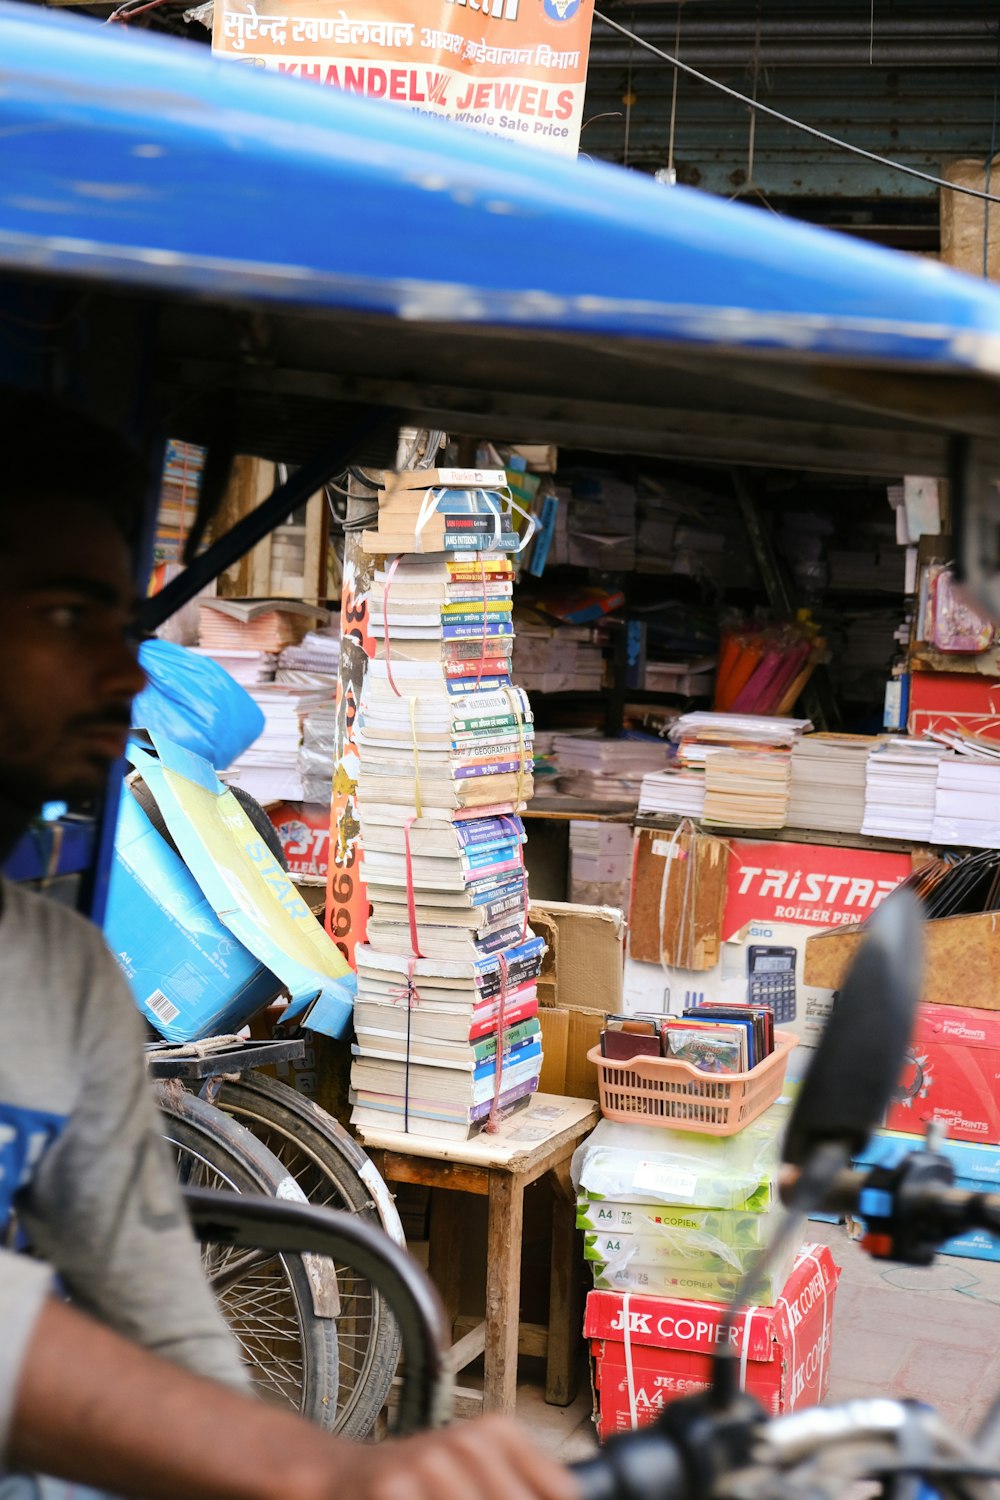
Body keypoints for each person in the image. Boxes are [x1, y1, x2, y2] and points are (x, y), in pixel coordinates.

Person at [0, 390, 578, 1500]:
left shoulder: (61, 972)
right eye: (69, 618)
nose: (126, 678)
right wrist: (303, 1468)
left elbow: (160, 1306)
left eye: (127, 626)